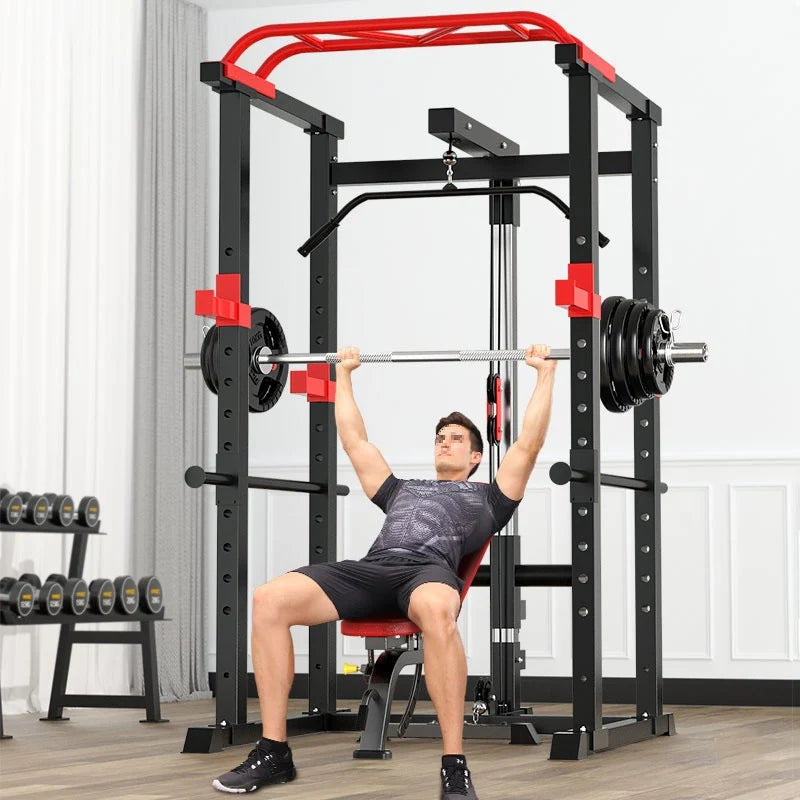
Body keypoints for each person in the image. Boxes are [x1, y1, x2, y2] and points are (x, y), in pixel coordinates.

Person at [213, 344, 557, 798]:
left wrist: (545, 374)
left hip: (426, 575)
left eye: (456, 438)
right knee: (268, 599)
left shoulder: (491, 498)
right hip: (372, 570)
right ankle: (274, 751)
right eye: (440, 437)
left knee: (438, 611)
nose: (445, 442)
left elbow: (528, 443)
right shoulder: (400, 489)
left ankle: (454, 766)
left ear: (476, 456)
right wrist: (345, 375)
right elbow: (356, 441)